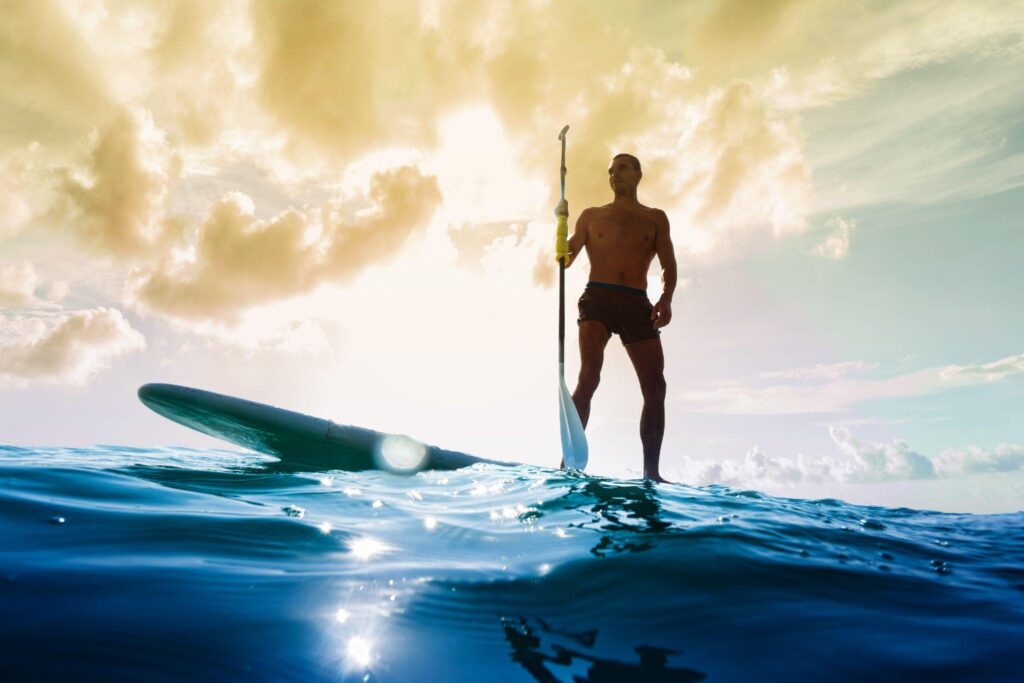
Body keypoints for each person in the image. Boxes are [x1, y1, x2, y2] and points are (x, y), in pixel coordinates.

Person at [561, 153, 677, 482]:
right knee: (589, 377)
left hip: (636, 302)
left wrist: (666, 299)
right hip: (597, 297)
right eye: (610, 171)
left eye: (622, 169)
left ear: (638, 175)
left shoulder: (655, 219)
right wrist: (559, 228)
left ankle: (651, 473)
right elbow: (565, 260)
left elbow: (668, 265)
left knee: (656, 387)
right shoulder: (591, 216)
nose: (614, 175)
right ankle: (567, 464)